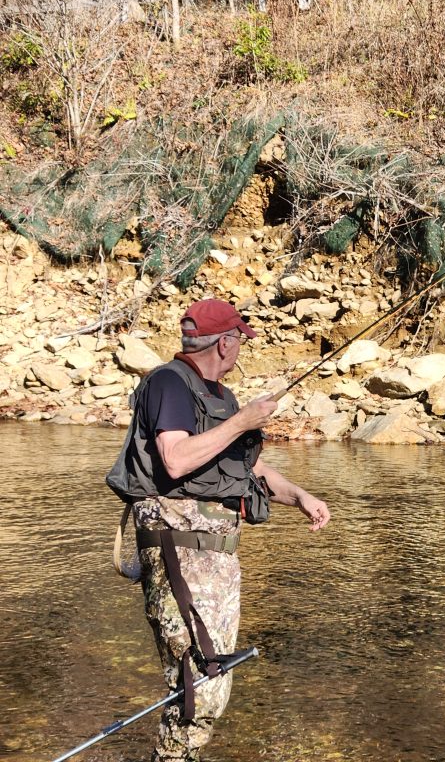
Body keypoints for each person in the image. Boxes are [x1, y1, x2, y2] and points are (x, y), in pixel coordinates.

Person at [107, 298, 330, 762]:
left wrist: (300, 498)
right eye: (240, 341)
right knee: (200, 683)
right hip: (179, 549)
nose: (241, 351)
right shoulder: (168, 383)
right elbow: (176, 458)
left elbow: (250, 468)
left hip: (217, 556)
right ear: (225, 343)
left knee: (212, 681)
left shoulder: (221, 397)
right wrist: (242, 421)